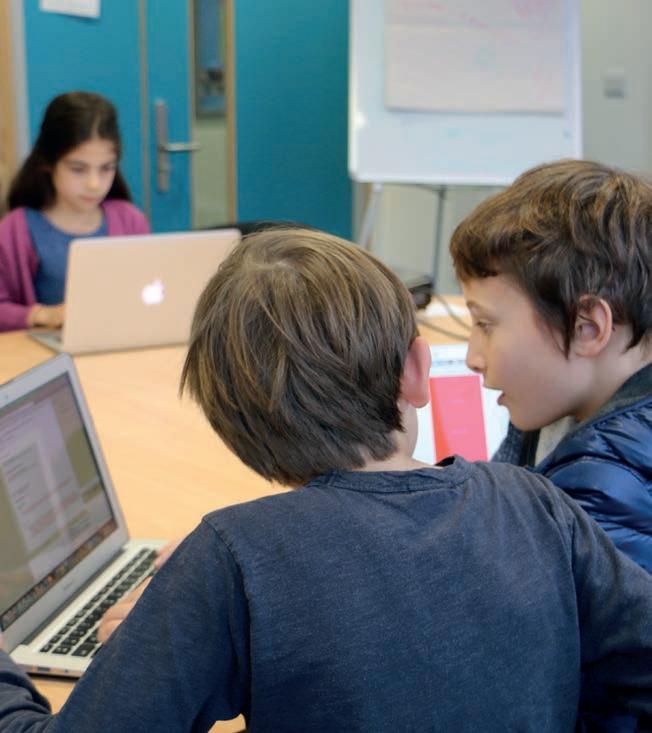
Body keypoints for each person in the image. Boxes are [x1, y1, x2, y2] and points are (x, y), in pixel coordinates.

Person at [1, 228, 652, 732]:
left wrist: (149, 648)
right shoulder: (535, 503)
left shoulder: (232, 559)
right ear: (417, 371)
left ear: (231, 422)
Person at [449, 159, 652, 575]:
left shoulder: (599, 494)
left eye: (485, 324)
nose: (473, 357)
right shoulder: (556, 404)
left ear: (587, 327)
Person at [0, 91, 149, 332]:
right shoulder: (14, 229)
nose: (94, 184)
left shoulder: (131, 220)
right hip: (43, 351)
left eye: (106, 169)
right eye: (78, 169)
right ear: (49, 163)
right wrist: (41, 314)